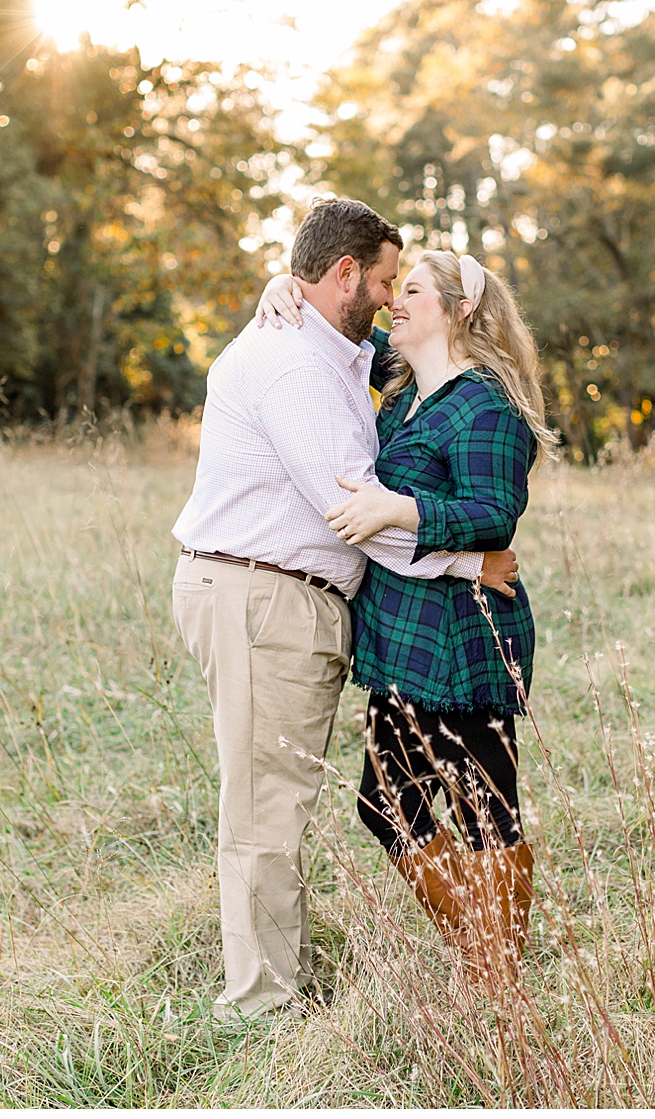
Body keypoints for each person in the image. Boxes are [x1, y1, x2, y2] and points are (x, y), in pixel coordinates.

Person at [170, 197, 520, 1021]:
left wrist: (280, 284)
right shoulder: (295, 362)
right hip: (264, 595)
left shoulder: (336, 349)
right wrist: (472, 558)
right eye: (386, 281)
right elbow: (354, 506)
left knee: (278, 798)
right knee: (263, 807)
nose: (391, 298)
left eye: (406, 288)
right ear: (345, 274)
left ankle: (282, 974)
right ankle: (260, 1003)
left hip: (286, 600)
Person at [253, 247, 557, 986]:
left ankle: (496, 974)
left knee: (486, 807)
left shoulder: (486, 402)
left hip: (463, 634)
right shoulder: (407, 390)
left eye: (413, 290)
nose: (397, 302)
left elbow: (495, 513)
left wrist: (400, 507)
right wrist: (284, 284)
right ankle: (481, 951)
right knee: (386, 805)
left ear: (461, 311)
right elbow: (342, 317)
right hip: (404, 637)